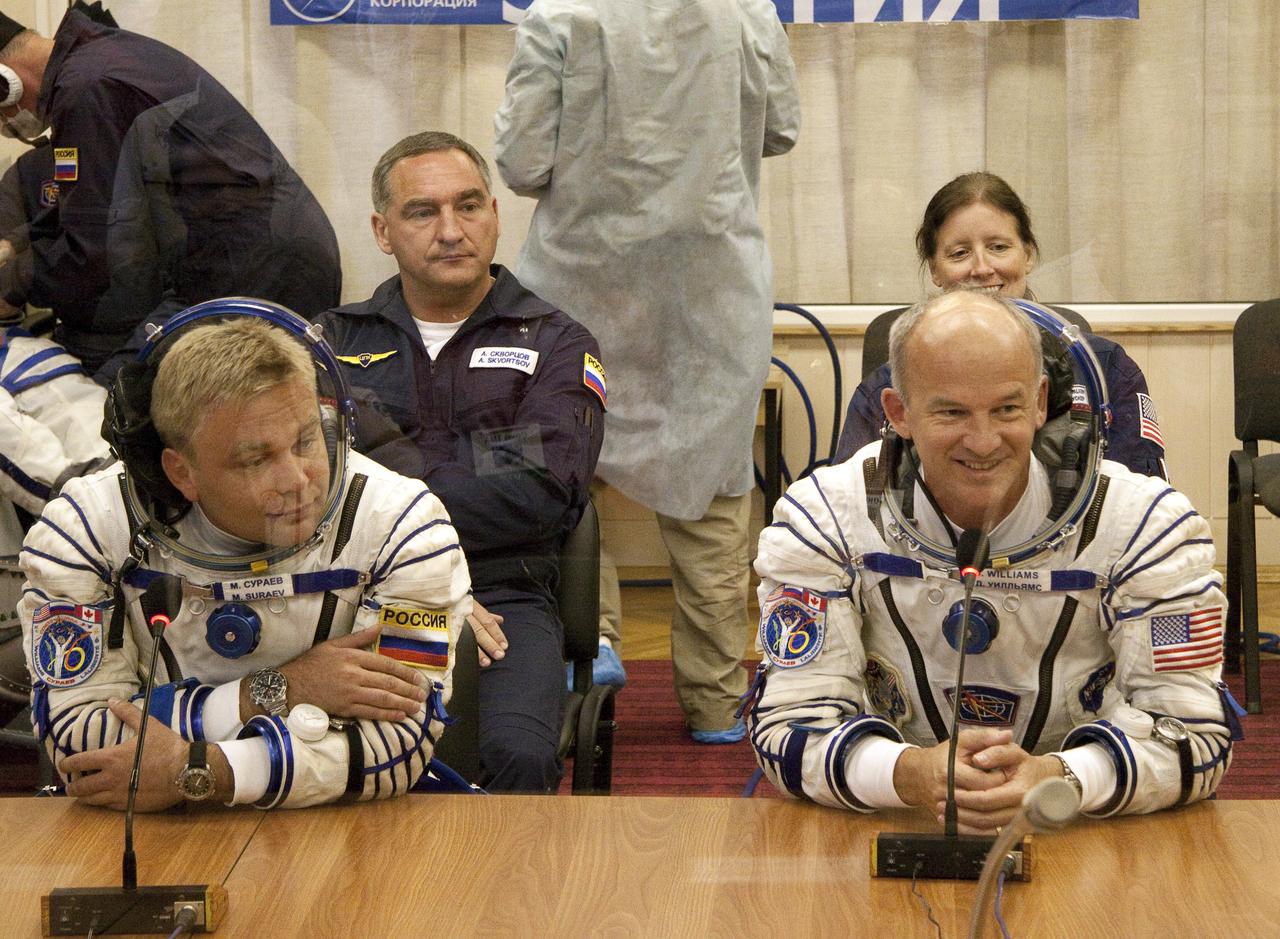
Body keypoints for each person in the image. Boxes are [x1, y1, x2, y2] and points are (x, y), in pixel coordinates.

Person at [747, 290, 1236, 830]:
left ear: (1041, 400)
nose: (982, 442)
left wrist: (1065, 777)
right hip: (903, 818)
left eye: (1006, 408)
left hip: (1083, 824)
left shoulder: (1144, 527)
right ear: (898, 412)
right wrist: (907, 772)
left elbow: (1194, 733)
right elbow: (788, 725)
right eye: (952, 412)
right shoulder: (825, 520)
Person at [19, 305, 471, 810]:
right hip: (143, 829)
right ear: (181, 472)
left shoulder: (405, 527)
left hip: (339, 827)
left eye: (306, 441)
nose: (297, 479)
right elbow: (78, 739)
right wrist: (276, 690)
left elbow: (398, 744)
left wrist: (207, 770)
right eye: (256, 460)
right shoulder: (84, 531)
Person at [493, 0, 800, 740]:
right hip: (710, 291)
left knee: (569, 483)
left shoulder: (558, 15)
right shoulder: (748, 11)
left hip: (579, 286)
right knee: (715, 499)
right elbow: (781, 130)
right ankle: (717, 703)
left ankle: (586, 651)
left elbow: (522, 161)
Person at [315, 132, 605, 793]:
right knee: (348, 754)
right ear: (383, 230)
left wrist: (388, 472)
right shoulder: (330, 341)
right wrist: (432, 574)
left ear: (495, 215)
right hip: (365, 594)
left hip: (506, 596)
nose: (451, 230)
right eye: (423, 212)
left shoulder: (556, 340)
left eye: (469, 206)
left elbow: (543, 488)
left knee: (515, 756)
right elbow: (315, 487)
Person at [0, 7, 341, 378]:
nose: (7, 122)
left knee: (120, 406)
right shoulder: (98, 61)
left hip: (254, 270)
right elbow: (89, 200)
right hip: (250, 257)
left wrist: (11, 283)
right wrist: (18, 244)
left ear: (5, 84)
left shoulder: (85, 90)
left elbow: (97, 250)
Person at [835, 172, 1168, 480]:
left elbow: (1140, 501)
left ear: (1028, 254)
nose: (982, 268)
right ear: (935, 271)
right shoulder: (888, 385)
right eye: (959, 253)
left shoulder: (1106, 370)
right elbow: (851, 506)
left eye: (998, 247)